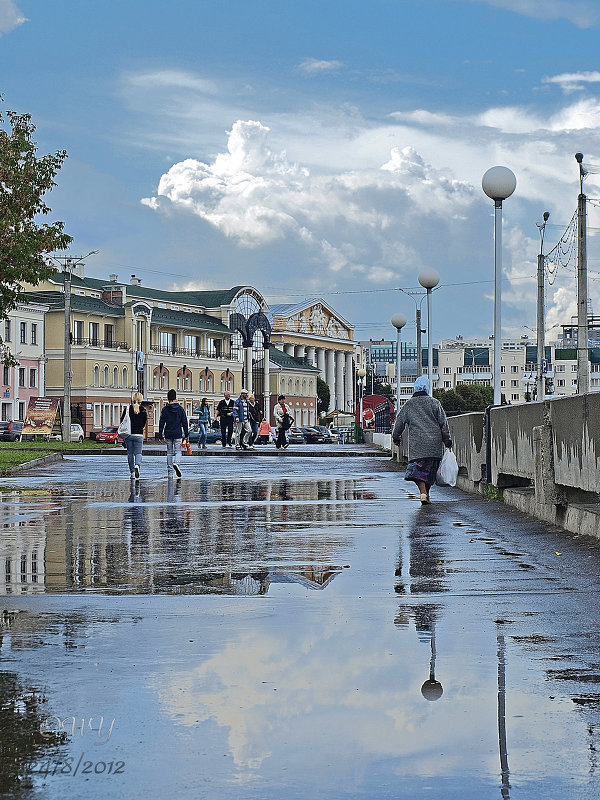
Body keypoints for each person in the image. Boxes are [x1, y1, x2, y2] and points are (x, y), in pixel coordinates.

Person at [392, 375, 452, 505]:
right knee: (430, 472)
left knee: (417, 472)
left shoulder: (408, 405)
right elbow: (443, 423)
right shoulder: (435, 403)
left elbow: (399, 423)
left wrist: (396, 437)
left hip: (417, 444)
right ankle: (426, 494)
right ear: (428, 388)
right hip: (434, 444)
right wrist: (447, 440)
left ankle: (423, 493)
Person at [157, 388, 189, 479]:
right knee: (178, 451)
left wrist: (160, 435)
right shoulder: (180, 409)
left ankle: (170, 472)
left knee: (169, 453)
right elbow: (184, 422)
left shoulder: (165, 409)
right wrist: (186, 435)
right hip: (177, 433)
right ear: (175, 397)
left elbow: (161, 422)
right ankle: (176, 463)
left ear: (168, 398)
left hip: (168, 433)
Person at [121, 391, 147, 479]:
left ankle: (132, 472)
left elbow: (122, 421)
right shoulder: (143, 410)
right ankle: (137, 466)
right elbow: (144, 423)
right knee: (138, 453)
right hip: (139, 434)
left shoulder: (127, 409)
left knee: (130, 453)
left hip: (129, 434)